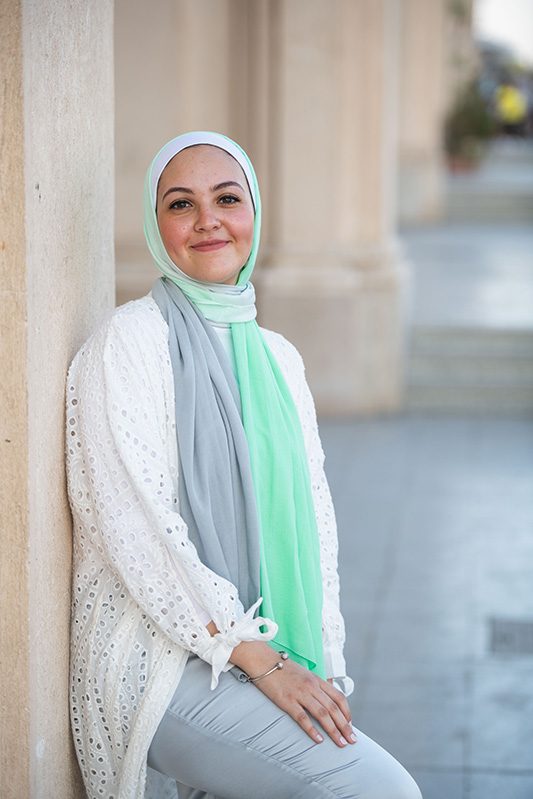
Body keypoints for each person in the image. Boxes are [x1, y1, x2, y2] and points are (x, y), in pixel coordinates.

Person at [66, 131, 423, 799]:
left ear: (253, 213)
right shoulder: (128, 343)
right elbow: (136, 530)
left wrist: (323, 669)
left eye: (226, 198)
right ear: (155, 224)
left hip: (261, 652)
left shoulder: (279, 357)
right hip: (159, 662)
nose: (207, 220)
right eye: (180, 204)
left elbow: (313, 530)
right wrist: (261, 661)